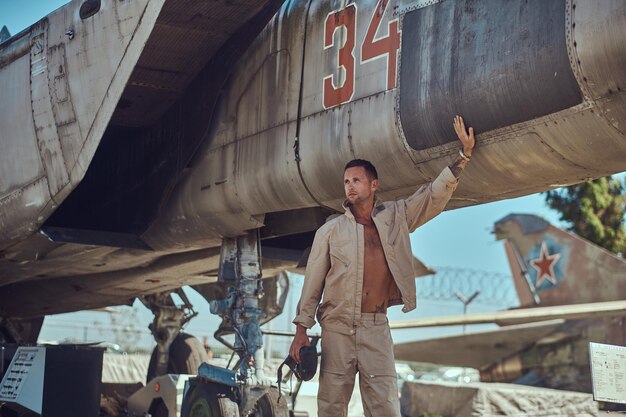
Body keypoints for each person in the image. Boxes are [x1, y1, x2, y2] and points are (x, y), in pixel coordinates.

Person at [289, 115, 476, 416]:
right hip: (337, 327)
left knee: (386, 407)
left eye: (357, 180)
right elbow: (312, 285)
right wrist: (301, 330)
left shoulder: (395, 218)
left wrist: (463, 156)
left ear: (373, 184)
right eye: (347, 181)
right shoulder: (330, 231)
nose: (350, 186)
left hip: (375, 327)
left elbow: (432, 196)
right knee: (331, 407)